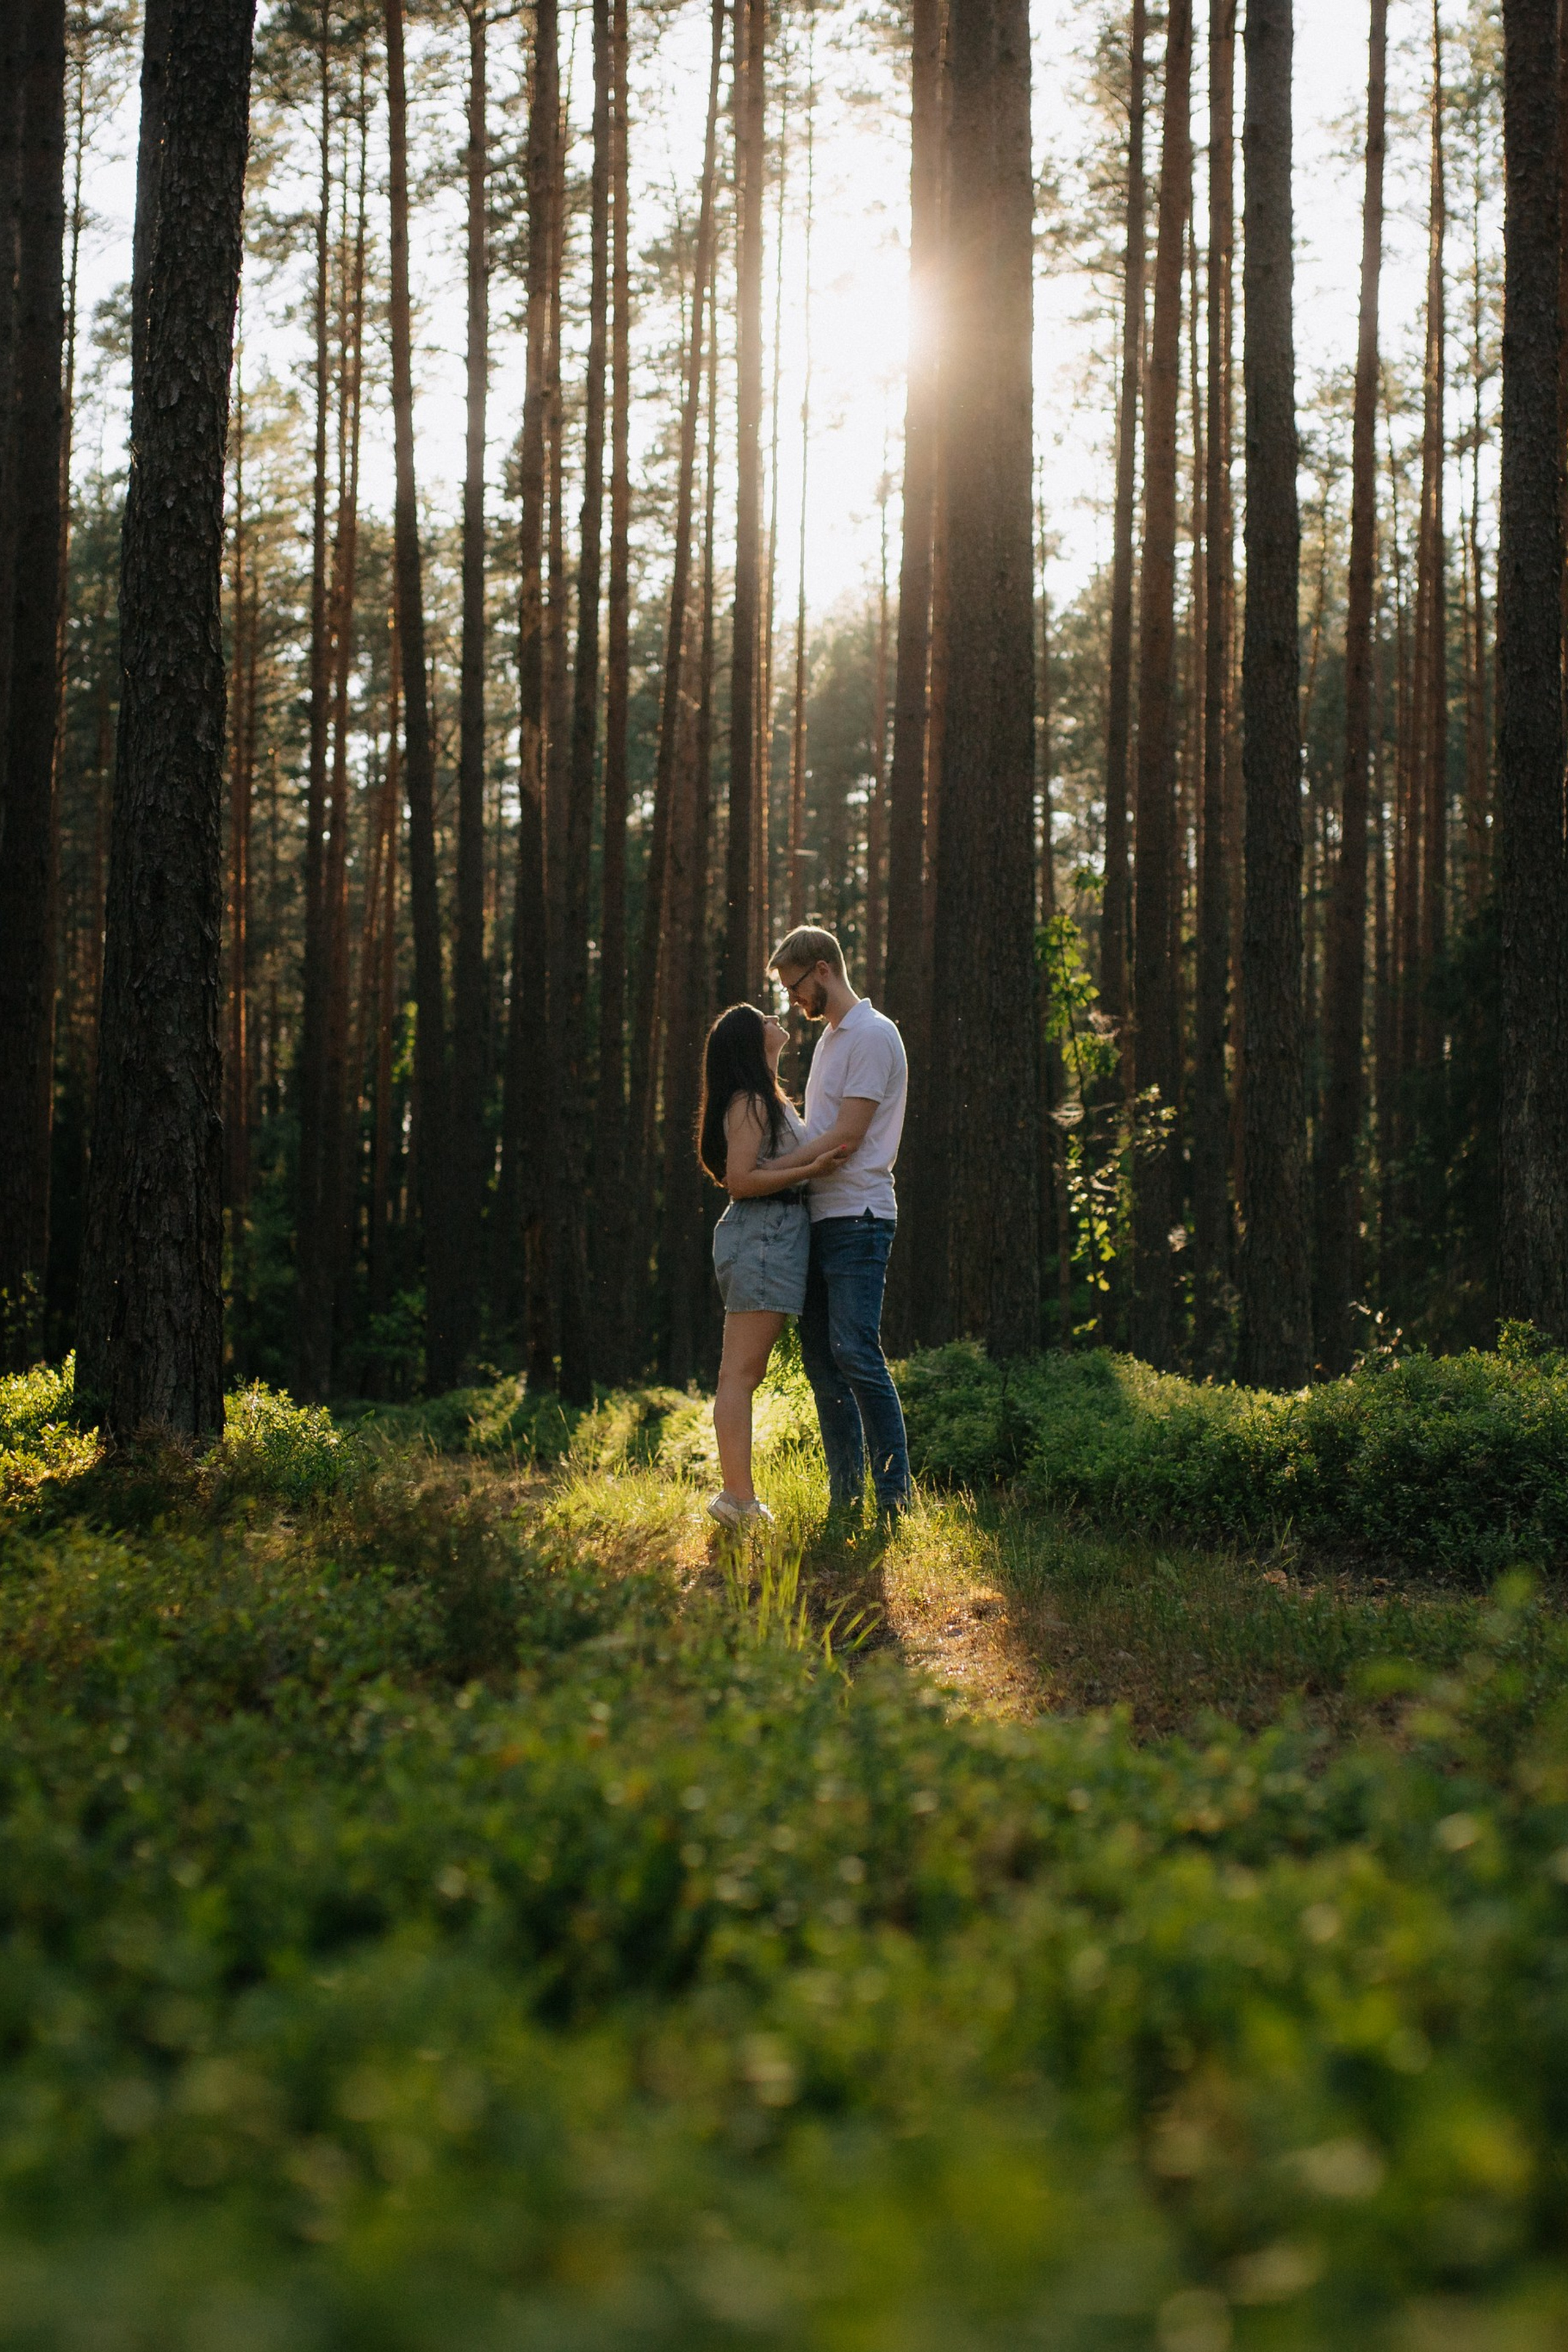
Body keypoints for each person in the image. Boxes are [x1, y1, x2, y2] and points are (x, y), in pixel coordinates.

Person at [767, 924, 913, 1520]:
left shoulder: (873, 1036)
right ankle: (844, 1500)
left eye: (796, 986)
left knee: (855, 1351)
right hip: (821, 1216)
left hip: (860, 1215)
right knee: (823, 1364)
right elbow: (818, 1132)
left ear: (823, 968)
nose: (794, 1002)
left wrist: (773, 1167)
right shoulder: (829, 1040)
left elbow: (847, 1138)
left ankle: (893, 1498)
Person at [697, 1003, 851, 1529]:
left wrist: (811, 1165)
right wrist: (811, 1167)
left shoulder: (768, 1099)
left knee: (744, 1372)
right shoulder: (749, 1102)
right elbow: (739, 1180)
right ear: (748, 1039)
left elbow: (763, 1167)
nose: (775, 1019)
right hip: (761, 1235)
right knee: (739, 1373)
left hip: (774, 1236)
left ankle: (738, 1499)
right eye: (763, 1017)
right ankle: (738, 1502)